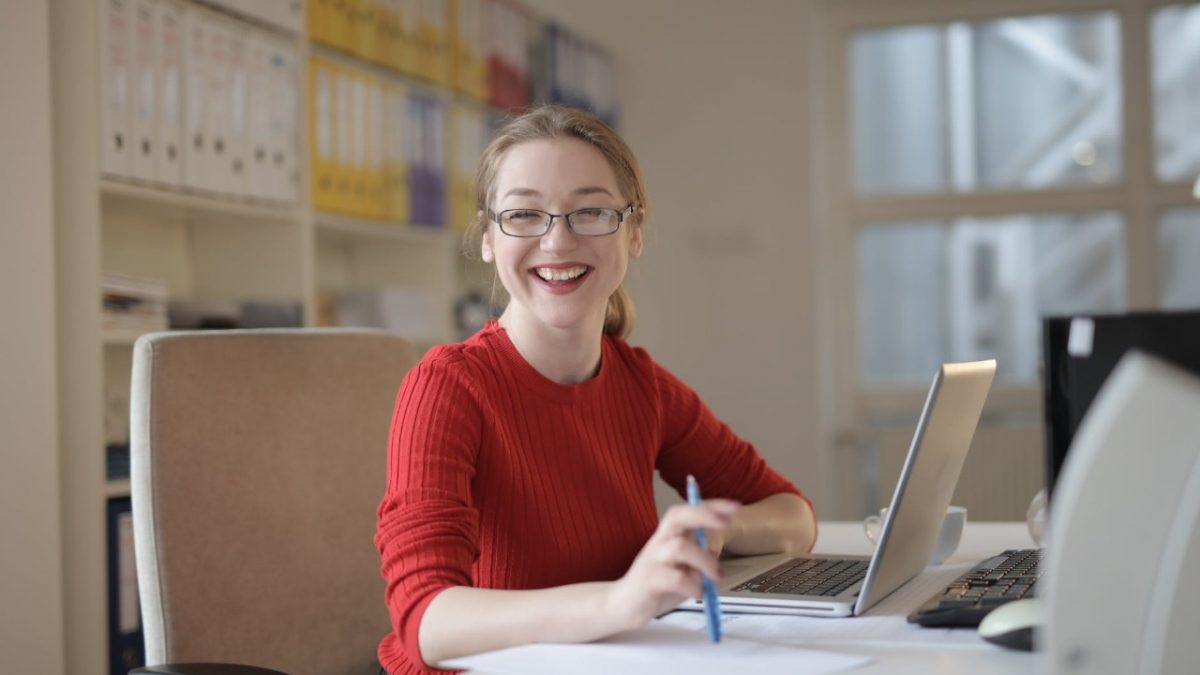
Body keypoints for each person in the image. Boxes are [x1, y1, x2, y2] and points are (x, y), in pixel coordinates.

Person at [375, 105, 817, 674]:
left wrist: (716, 530)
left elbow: (795, 517)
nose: (557, 241)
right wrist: (620, 601)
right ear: (488, 238)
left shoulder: (642, 386)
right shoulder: (447, 387)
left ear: (634, 233)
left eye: (590, 212)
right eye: (525, 214)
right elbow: (426, 623)